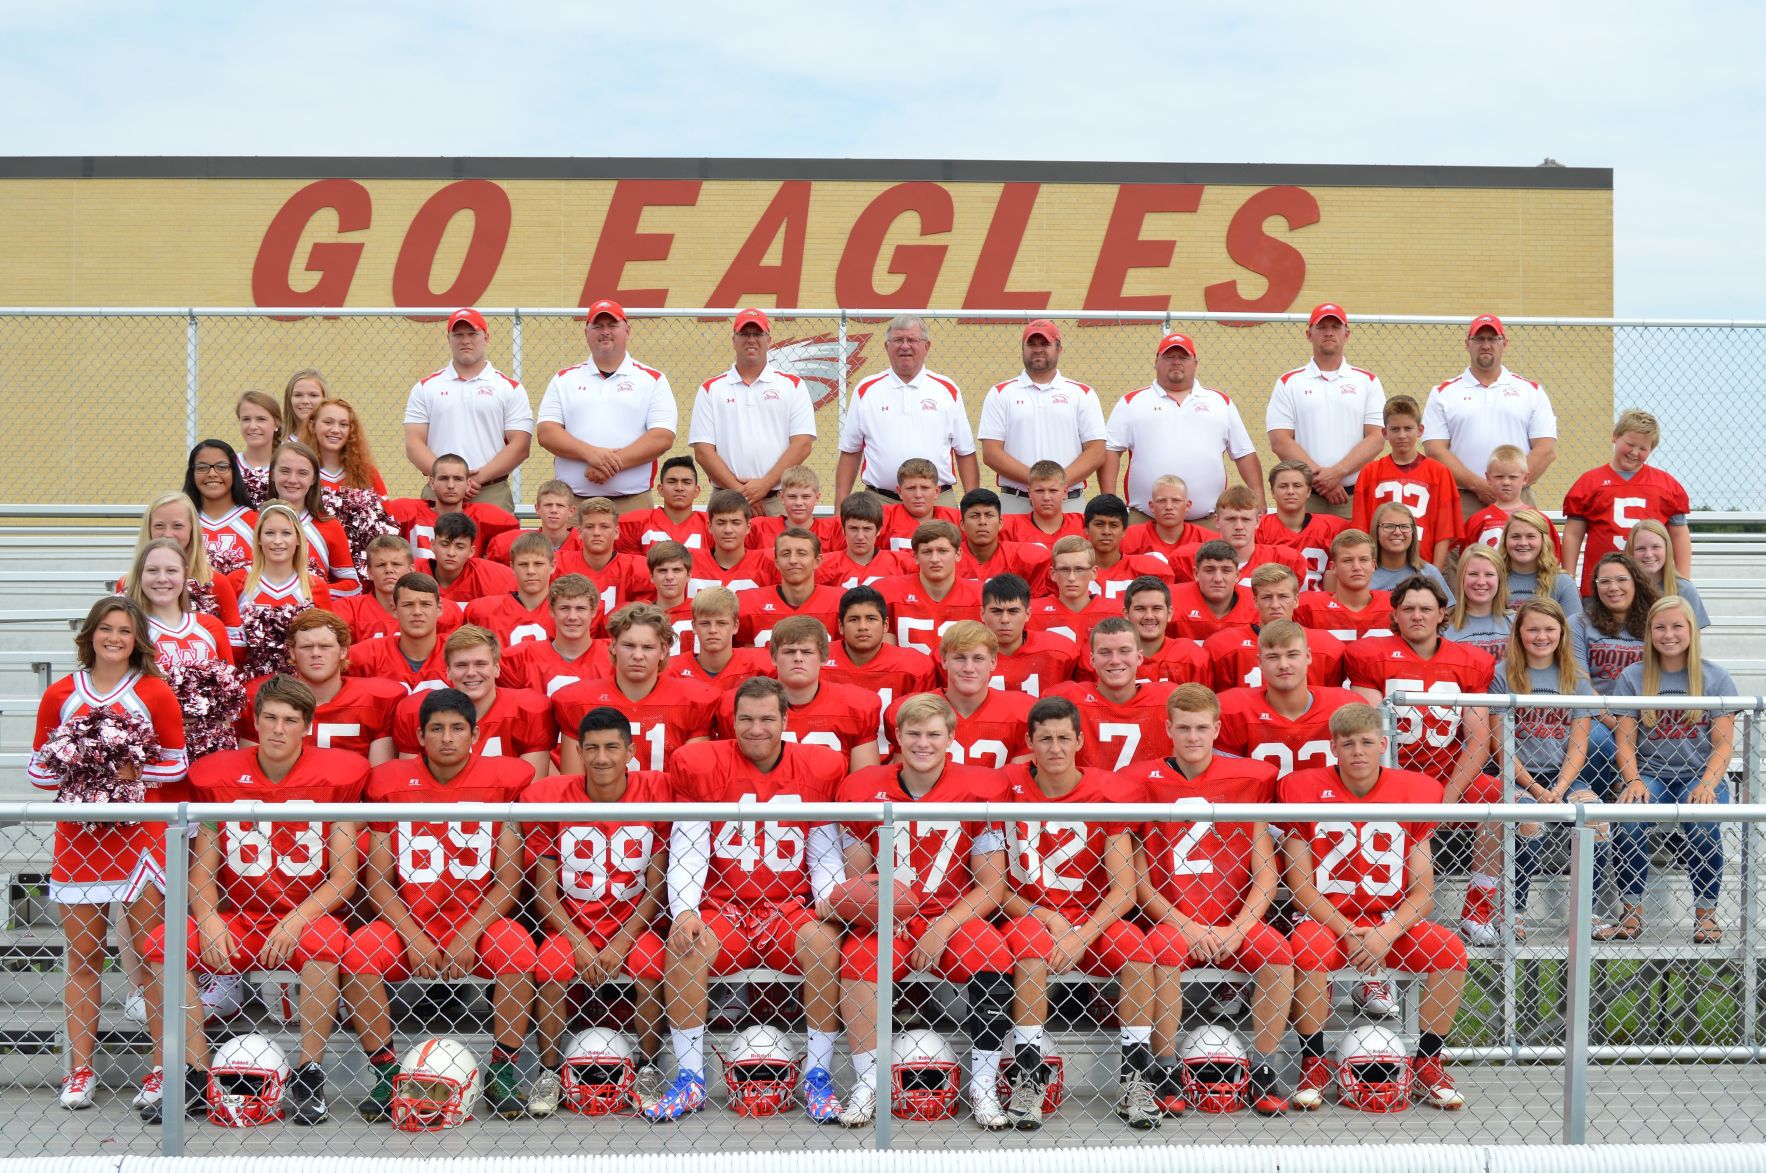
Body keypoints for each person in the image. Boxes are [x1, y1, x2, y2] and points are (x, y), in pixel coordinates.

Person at [141, 675, 365, 1125]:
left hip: (304, 915)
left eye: (289, 720)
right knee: (163, 942)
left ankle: (308, 1072)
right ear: (255, 722)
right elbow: (202, 871)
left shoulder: (337, 777)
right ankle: (194, 1073)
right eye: (270, 718)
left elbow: (342, 879)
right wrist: (207, 917)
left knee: (325, 944)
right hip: (240, 916)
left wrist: (296, 919)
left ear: (306, 726)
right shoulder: (219, 777)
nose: (278, 729)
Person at [647, 677, 847, 1122]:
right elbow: (690, 844)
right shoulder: (703, 764)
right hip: (725, 908)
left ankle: (818, 1075)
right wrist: (684, 910)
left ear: (784, 719)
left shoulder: (817, 766)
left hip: (788, 907)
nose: (756, 729)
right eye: (746, 719)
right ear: (731, 720)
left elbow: (824, 848)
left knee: (823, 939)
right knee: (685, 944)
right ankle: (690, 1078)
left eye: (766, 719)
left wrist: (828, 901)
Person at [343, 687, 539, 1121]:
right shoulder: (389, 783)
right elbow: (378, 880)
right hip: (409, 918)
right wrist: (412, 934)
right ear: (419, 735)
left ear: (476, 734)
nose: (446, 738)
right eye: (436, 729)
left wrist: (469, 932)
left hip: (480, 919)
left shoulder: (505, 780)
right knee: (358, 954)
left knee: (519, 949)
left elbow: (508, 882)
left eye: (456, 728)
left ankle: (503, 1071)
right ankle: (387, 1073)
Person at [829, 693, 1013, 1129]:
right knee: (858, 957)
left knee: (992, 952)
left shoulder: (979, 790)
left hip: (953, 915)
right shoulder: (862, 788)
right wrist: (885, 914)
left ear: (951, 737)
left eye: (934, 734)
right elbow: (860, 881)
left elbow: (993, 885)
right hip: (888, 917)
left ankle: (984, 1083)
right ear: (897, 737)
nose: (923, 743)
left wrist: (941, 926)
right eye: (913, 733)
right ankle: (868, 1082)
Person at [30, 597, 187, 1111]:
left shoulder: (154, 692)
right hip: (79, 840)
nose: (114, 638)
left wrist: (128, 773)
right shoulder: (60, 694)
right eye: (106, 629)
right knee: (82, 958)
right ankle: (79, 1072)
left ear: (137, 638)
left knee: (151, 957)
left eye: (124, 630)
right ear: (91, 635)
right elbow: (39, 773)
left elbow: (176, 766)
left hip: (138, 837)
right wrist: (82, 766)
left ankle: (163, 1068)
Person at [1278, 703, 1469, 1111]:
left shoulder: (1413, 792)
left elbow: (1423, 892)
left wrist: (1386, 932)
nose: (1358, 752)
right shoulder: (1301, 790)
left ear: (1383, 744)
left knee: (1450, 951)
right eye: (1348, 744)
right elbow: (1301, 889)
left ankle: (1428, 1062)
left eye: (1367, 743)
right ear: (1334, 748)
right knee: (1308, 950)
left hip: (1387, 920)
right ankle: (1313, 1060)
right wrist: (1348, 931)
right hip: (1326, 920)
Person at [1123, 684, 1293, 1116]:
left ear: (1218, 728)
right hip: (1174, 920)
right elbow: (1141, 879)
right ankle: (1162, 1070)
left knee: (1277, 952)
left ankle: (1264, 1068)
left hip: (1233, 920)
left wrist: (1238, 928)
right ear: (1168, 728)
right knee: (1159, 952)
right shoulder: (1142, 781)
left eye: (1202, 728)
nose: (1193, 737)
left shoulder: (1246, 780)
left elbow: (1266, 874)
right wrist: (1186, 925)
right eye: (1183, 728)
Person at [998, 695, 1157, 1130]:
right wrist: (1044, 915)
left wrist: (1080, 934)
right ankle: (1028, 1074)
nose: (1054, 748)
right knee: (1031, 949)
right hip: (1029, 913)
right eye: (1044, 739)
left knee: (1137, 951)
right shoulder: (1005, 790)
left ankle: (1136, 1074)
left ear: (1079, 741)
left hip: (1092, 917)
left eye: (1063, 738)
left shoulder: (1105, 794)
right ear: (1029, 742)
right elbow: (994, 887)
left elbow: (1125, 891)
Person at [524, 706, 672, 1115]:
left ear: (631, 751)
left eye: (611, 747)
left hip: (633, 923)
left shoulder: (655, 793)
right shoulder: (552, 798)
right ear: (578, 751)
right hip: (573, 922)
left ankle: (647, 1066)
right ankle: (549, 1072)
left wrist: (622, 938)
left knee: (649, 962)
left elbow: (657, 885)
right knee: (551, 966)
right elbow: (544, 891)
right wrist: (580, 942)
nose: (601, 758)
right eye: (592, 748)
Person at [1463, 598, 1599, 946]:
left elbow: (1578, 746)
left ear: (1562, 633)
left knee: (1597, 817)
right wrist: (1538, 790)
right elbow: (1500, 746)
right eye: (1533, 629)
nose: (1542, 636)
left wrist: (1561, 786)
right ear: (1519, 633)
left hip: (1562, 774)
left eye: (1550, 629)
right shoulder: (1502, 675)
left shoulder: (1576, 680)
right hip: (1515, 775)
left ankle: (1589, 911)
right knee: (1529, 818)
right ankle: (1515, 910)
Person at [1605, 595, 1740, 945]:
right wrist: (1632, 780)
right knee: (1629, 818)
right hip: (1651, 773)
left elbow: (1724, 744)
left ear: (1692, 631)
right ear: (1649, 632)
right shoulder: (1633, 677)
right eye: (1660, 627)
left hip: (1699, 773)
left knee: (1703, 819)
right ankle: (1631, 911)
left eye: (1677, 626)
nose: (1669, 634)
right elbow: (1624, 741)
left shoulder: (1715, 677)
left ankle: (1706, 915)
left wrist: (1709, 784)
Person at [1346, 575, 1494, 805]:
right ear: (1395, 614)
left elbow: (1479, 741)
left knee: (1496, 793)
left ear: (1441, 613)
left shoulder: (1470, 662)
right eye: (1408, 609)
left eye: (1425, 609)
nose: (1417, 616)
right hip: (1389, 774)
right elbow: (1369, 733)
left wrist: (1448, 800)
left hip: (1449, 774)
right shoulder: (1371, 657)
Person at [1102, 331, 1263, 522]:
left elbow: (1244, 454)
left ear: (1195, 364)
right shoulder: (1131, 402)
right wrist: (1108, 500)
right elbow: (1111, 451)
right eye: (1169, 357)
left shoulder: (1220, 402)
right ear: (1156, 362)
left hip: (1208, 520)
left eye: (1183, 357)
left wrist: (1259, 496)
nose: (1176, 362)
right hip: (1145, 519)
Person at [537, 299, 677, 515]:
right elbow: (547, 432)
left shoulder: (652, 379)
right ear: (586, 333)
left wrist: (611, 464)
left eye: (612, 325)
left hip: (633, 503)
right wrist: (590, 454)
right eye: (597, 326)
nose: (605, 332)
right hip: (573, 505)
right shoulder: (564, 379)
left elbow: (662, 437)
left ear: (627, 330)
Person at [551, 603, 718, 775]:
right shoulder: (579, 702)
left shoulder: (691, 702)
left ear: (663, 651)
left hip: (667, 801)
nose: (638, 656)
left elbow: (691, 782)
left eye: (648, 647)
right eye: (629, 646)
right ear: (614, 646)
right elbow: (575, 787)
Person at [1422, 314, 1558, 518]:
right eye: (1479, 339)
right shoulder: (1444, 393)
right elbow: (1435, 450)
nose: (1486, 345)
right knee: (1463, 551)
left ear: (1505, 343)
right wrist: (1477, 485)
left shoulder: (1530, 391)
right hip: (1464, 499)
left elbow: (1546, 449)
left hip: (1518, 499)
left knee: (1522, 548)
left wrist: (1510, 486)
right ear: (1467, 344)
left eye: (1493, 339)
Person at [835, 314, 978, 505]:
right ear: (886, 347)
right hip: (880, 500)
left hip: (936, 500)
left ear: (926, 346)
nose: (905, 346)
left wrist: (973, 504)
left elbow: (965, 452)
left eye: (912, 340)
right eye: (897, 340)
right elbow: (850, 452)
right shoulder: (866, 390)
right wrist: (839, 508)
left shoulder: (947, 390)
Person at [403, 308, 533, 514]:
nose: (466, 340)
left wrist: (475, 479)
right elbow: (413, 443)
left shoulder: (509, 388)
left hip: (491, 491)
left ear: (486, 337)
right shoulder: (426, 387)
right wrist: (448, 479)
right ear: (449, 338)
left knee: (495, 547)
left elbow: (520, 445)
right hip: (439, 493)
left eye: (472, 334)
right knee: (436, 546)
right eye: (458, 334)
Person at [689, 308, 816, 515]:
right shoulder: (711, 389)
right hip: (726, 498)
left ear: (769, 340)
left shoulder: (792, 385)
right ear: (733, 340)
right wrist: (743, 493)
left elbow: (803, 444)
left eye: (757, 334)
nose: (751, 339)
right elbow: (703, 451)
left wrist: (765, 485)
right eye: (744, 334)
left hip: (777, 499)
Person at [1265, 303, 1386, 516]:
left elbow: (1376, 438)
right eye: (1321, 327)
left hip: (1352, 496)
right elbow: (1280, 440)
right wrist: (1321, 480)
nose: (1329, 332)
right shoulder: (1289, 382)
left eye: (1335, 327)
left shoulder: (1367, 381)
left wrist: (1337, 473)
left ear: (1346, 334)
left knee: (1354, 550)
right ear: (1309, 334)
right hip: (1307, 497)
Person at [237, 610, 401, 765]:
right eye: (307, 647)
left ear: (343, 651)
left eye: (325, 646)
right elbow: (254, 771)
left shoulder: (375, 699)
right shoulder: (261, 697)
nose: (316, 653)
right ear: (292, 652)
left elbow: (377, 777)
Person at [389, 626, 556, 776]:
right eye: (461, 665)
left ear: (497, 668)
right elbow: (409, 786)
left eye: (480, 664)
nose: (471, 673)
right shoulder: (419, 711)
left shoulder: (526, 710)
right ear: (448, 671)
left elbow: (530, 794)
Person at [978, 319, 1105, 513]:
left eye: (1045, 344)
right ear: (1023, 348)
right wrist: (1038, 482)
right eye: (1031, 344)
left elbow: (1096, 451)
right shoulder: (1000, 393)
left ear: (1059, 348)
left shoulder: (1082, 393)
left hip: (1068, 502)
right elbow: (991, 453)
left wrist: (1057, 484)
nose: (1038, 349)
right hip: (1016, 501)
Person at [1562, 408, 1692, 596]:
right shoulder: (1590, 483)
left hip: (1650, 587)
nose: (1634, 452)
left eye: (1643, 449)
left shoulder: (1666, 485)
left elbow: (1679, 535)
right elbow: (1573, 535)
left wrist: (1683, 580)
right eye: (1630, 444)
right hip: (1603, 586)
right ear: (1615, 436)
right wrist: (1569, 579)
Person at [726, 616, 880, 771]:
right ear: (773, 657)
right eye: (789, 652)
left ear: (823, 657)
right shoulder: (739, 704)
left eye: (807, 652)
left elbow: (862, 782)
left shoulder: (855, 706)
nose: (798, 658)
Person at [1216, 620, 1360, 778]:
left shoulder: (1345, 708)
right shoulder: (1233, 711)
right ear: (1259, 662)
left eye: (1292, 655)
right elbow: (1227, 786)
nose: (1283, 665)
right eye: (1273, 657)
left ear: (1308, 656)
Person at [883, 621, 1033, 767]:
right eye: (960, 658)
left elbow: (1019, 783)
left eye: (978, 658)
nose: (968, 668)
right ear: (944, 660)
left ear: (993, 662)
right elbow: (906, 781)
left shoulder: (1020, 712)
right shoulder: (913, 710)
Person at [1048, 619, 1178, 770]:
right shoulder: (1067, 701)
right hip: (1090, 793)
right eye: (1105, 652)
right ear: (1092, 660)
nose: (1115, 661)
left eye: (1124, 651)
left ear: (1139, 657)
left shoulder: (1169, 701)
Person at [822, 585, 936, 750]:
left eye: (871, 619)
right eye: (854, 619)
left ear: (885, 625)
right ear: (840, 626)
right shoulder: (818, 660)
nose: (862, 626)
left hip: (893, 763)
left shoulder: (913, 666)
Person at [1352, 395, 1459, 567]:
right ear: (1385, 433)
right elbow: (1361, 528)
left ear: (1420, 430)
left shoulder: (1439, 473)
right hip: (1380, 565)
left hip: (1423, 563)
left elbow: (1444, 531)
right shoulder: (1370, 472)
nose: (1402, 435)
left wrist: (1435, 573)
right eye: (1395, 429)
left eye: (1408, 428)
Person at [129, 491, 244, 648]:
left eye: (177, 526)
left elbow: (237, 646)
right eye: (159, 525)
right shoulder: (128, 584)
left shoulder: (216, 582)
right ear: (148, 529)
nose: (167, 534)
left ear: (192, 528)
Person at [1205, 567, 1345, 692]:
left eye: (1283, 596)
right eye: (1267, 597)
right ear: (1254, 601)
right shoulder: (1224, 646)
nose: (1275, 605)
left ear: (1296, 600)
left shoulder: (1327, 646)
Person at [388, 452, 522, 565]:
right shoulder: (407, 511)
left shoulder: (485, 517)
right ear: (432, 483)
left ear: (468, 484)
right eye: (444, 478)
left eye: (458, 479)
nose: (451, 485)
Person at [876, 520, 982, 657]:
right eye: (927, 552)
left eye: (943, 551)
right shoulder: (889, 590)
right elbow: (883, 654)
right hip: (909, 676)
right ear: (915, 556)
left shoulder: (981, 595)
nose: (935, 559)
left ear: (958, 554)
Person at [269, 439, 359, 598]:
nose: (292, 480)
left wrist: (312, 592)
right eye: (284, 471)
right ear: (272, 474)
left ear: (314, 479)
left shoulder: (329, 526)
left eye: (302, 473)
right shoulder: (254, 522)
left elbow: (352, 585)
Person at [127, 538, 233, 669]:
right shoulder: (129, 629)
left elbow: (230, 685)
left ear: (185, 574)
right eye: (152, 570)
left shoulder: (212, 626)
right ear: (139, 574)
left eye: (171, 570)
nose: (162, 579)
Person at [498, 574, 609, 698]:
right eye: (564, 608)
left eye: (580, 609)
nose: (572, 617)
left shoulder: (613, 657)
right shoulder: (522, 658)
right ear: (551, 610)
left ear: (593, 611)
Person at [1172, 486, 1306, 587]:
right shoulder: (1188, 559)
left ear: (1258, 521)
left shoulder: (1283, 560)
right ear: (1217, 521)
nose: (1239, 526)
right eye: (1231, 519)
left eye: (1246, 519)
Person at [735, 528, 845, 648]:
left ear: (817, 561)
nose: (793, 560)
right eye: (786, 554)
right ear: (776, 562)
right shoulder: (751, 602)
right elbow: (745, 658)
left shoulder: (838, 602)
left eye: (801, 553)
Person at [344, 572, 449, 692]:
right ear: (394, 609)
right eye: (408, 605)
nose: (417, 612)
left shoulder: (457, 652)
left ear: (439, 608)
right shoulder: (367, 655)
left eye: (425, 604)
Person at [978, 574, 1079, 696]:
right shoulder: (965, 655)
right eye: (996, 611)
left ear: (1028, 614)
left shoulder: (1058, 652)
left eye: (1013, 611)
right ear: (982, 614)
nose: (1005, 619)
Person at [1259, 460, 1350, 591]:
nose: (1290, 491)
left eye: (1297, 485)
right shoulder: (1260, 528)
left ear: (1308, 492)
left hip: (1317, 605)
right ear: (1272, 492)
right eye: (1283, 486)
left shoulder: (1333, 527)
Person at [555, 497, 654, 615]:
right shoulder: (559, 563)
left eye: (604, 526)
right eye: (590, 526)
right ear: (580, 532)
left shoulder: (635, 568)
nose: (597, 533)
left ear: (616, 532)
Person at [1459, 445, 1560, 560]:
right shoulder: (1478, 520)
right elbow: (1466, 559)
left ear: (1525, 478)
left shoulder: (1539, 520)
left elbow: (1552, 558)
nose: (1506, 482)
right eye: (1499, 477)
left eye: (1513, 477)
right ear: (1488, 478)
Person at [229, 502, 333, 613]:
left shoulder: (315, 586)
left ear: (298, 538)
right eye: (269, 533)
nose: (277, 541)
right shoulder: (237, 581)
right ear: (259, 538)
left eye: (286, 533)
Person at [1292, 529, 1393, 641]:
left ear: (1373, 565)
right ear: (1333, 567)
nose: (1356, 567)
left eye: (1363, 560)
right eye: (1347, 561)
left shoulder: (1394, 605)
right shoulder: (1308, 608)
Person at [668, 585, 772, 691]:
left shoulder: (758, 666)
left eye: (721, 623)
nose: (713, 630)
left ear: (735, 626)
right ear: (694, 627)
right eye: (705, 623)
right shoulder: (672, 671)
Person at [466, 531, 557, 648]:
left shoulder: (567, 612)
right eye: (523, 564)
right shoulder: (485, 611)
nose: (530, 571)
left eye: (538, 564)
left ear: (552, 566)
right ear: (512, 567)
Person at [1113, 575, 1208, 685]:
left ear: (1169, 613)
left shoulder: (1191, 656)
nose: (1149, 616)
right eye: (1140, 609)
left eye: (1157, 608)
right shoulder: (1111, 657)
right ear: (1126, 614)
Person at [955, 488, 1052, 595]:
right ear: (962, 525)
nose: (982, 522)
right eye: (975, 516)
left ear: (1000, 523)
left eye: (989, 515)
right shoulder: (948, 559)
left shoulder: (1022, 556)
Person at [1027, 535, 1116, 647]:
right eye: (1064, 569)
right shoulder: (1031, 613)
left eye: (1079, 569)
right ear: (1052, 574)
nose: (1071, 578)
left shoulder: (1115, 613)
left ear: (1094, 572)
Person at [184, 439, 257, 574]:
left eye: (222, 467)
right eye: (202, 467)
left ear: (234, 472)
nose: (212, 473)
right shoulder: (183, 521)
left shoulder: (255, 522)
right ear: (192, 474)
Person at [1081, 494, 1173, 599]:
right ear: (1086, 529)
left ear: (1124, 531)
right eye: (1099, 524)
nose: (1106, 531)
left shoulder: (1147, 570)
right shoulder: (1070, 569)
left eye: (1114, 525)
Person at [618, 456, 712, 555]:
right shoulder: (636, 522)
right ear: (661, 489)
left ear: (696, 491)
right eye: (672, 482)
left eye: (686, 482)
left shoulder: (710, 524)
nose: (679, 488)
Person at [1626, 519, 1710, 628]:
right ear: (1631, 551)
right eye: (1641, 548)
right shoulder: (1623, 589)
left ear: (1667, 549)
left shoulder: (1684, 589)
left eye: (1656, 547)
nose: (1648, 554)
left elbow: (1694, 640)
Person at [1168, 541, 1257, 643]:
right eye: (1209, 570)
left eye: (1226, 570)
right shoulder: (1170, 600)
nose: (1218, 578)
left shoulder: (1257, 604)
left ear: (1237, 575)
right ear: (1196, 573)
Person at [746, 465, 846, 554]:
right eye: (792, 496)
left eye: (806, 497)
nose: (798, 503)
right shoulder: (760, 527)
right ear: (782, 498)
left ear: (817, 498)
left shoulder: (833, 529)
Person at [1369, 502, 1455, 604]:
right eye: (1389, 526)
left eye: (1404, 526)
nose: (1397, 532)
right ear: (1376, 531)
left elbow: (1449, 614)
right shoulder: (1364, 574)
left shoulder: (1429, 573)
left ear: (1413, 532)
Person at [817, 491, 906, 589]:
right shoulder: (824, 565)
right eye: (853, 528)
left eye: (867, 529)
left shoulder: (901, 563)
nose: (860, 536)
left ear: (879, 530)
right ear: (843, 529)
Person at [429, 512, 519, 609]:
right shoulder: (415, 571)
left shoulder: (490, 576)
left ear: (471, 551)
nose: (451, 553)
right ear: (433, 545)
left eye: (460, 547)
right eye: (445, 544)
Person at [301, 397, 387, 496]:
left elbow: (385, 510)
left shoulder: (367, 472)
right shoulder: (299, 471)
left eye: (343, 424)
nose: (336, 430)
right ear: (312, 426)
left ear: (351, 430)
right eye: (328, 422)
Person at [876, 458, 964, 553]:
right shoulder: (884, 517)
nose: (918, 495)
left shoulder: (956, 519)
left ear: (936, 491)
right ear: (900, 492)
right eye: (911, 488)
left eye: (925, 488)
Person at [1500, 508, 1579, 614]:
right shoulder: (1492, 579)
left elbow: (1573, 628)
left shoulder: (1562, 582)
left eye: (1531, 536)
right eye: (1515, 537)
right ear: (1505, 541)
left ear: (1543, 541)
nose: (1523, 543)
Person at [1120, 475, 1217, 560]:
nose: (1168, 507)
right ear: (1151, 506)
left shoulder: (1208, 540)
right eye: (1161, 501)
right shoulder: (1130, 536)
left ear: (1187, 505)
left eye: (1176, 500)